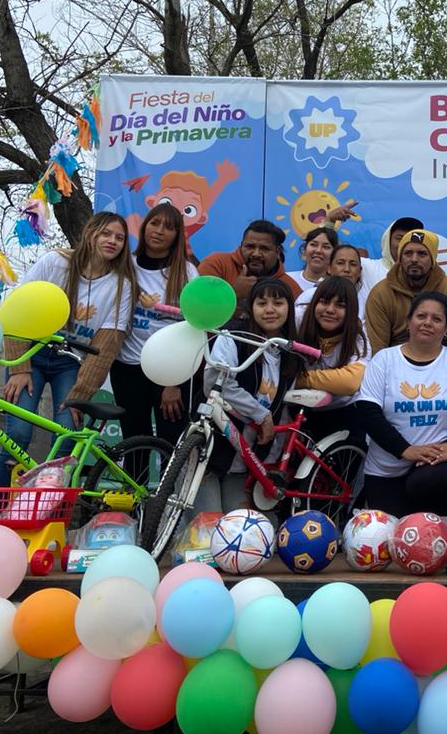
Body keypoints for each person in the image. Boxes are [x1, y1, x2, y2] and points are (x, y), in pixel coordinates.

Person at [0, 212, 137, 486]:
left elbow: (107, 345)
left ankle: (51, 510)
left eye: (120, 238)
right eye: (106, 233)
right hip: (32, 354)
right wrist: (18, 367)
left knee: (67, 435)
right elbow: (19, 308)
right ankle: (0, 506)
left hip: (71, 362)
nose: (113, 241)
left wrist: (82, 391)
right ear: (90, 234)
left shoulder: (122, 285)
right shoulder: (55, 263)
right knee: (17, 434)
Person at [356, 292, 447, 516]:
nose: (428, 323)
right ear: (408, 322)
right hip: (388, 469)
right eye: (421, 316)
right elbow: (368, 413)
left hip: (443, 467)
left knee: (427, 488)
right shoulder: (384, 360)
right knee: (387, 537)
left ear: (446, 329)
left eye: (437, 319)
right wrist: (405, 450)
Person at [199, 277, 304, 512]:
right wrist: (261, 415)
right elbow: (215, 385)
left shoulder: (290, 353)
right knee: (206, 527)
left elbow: (283, 410)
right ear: (251, 308)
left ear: (289, 308)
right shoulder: (233, 337)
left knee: (249, 528)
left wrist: (273, 462)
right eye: (261, 303)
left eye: (277, 303)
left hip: (248, 463)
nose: (269, 310)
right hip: (210, 455)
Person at [111, 202, 199, 445]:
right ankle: (133, 485)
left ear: (177, 236)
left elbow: (194, 330)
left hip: (169, 370)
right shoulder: (124, 265)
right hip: (127, 366)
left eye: (168, 227)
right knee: (134, 441)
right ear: (144, 227)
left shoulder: (188, 272)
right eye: (154, 223)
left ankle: (168, 486)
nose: (159, 231)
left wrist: (173, 382)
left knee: (171, 442)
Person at [293, 276, 369, 447]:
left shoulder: (360, 335)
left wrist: (299, 379)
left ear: (351, 311)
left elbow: (350, 382)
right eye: (324, 302)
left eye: (340, 305)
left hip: (341, 410)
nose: (330, 310)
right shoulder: (298, 319)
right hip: (295, 406)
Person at [365, 229, 447, 353]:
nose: (414, 259)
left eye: (422, 254)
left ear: (433, 259)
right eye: (408, 253)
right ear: (400, 258)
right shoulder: (381, 293)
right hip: (394, 364)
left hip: (442, 363)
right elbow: (378, 348)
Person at [197, 220, 302, 320]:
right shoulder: (217, 264)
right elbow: (196, 310)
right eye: (250, 247)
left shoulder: (290, 287)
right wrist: (234, 294)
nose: (256, 253)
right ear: (241, 246)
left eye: (264, 248)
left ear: (277, 252)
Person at [297, 243, 369, 324]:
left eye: (353, 264)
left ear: (359, 272)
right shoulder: (310, 296)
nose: (347, 269)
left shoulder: (366, 302)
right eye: (340, 263)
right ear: (329, 268)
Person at [287, 226, 337, 294]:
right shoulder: (287, 280)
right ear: (304, 250)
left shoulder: (337, 287)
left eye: (326, 247)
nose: (318, 251)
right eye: (313, 245)